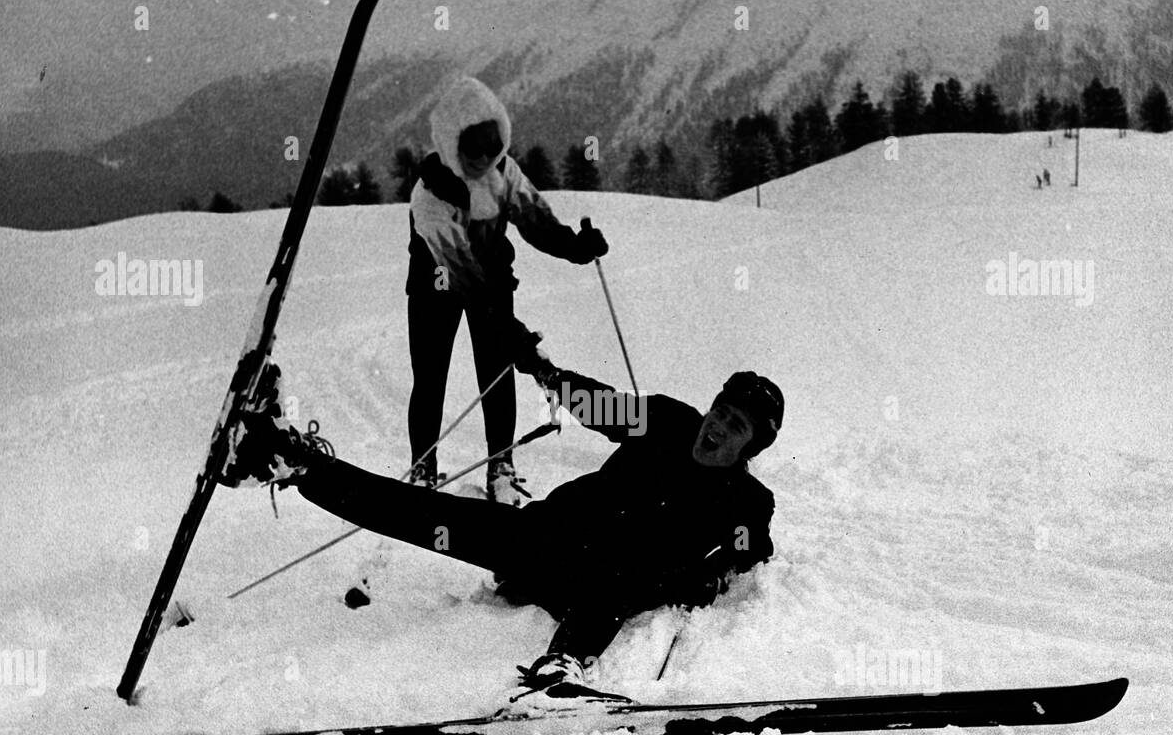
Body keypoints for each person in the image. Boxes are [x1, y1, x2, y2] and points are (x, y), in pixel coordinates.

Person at [221, 337, 783, 694]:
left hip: (600, 589)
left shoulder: (746, 502)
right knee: (424, 513)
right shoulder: (667, 422)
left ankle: (562, 668)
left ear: (750, 448)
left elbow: (750, 553)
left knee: (625, 567)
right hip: (544, 539)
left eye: (737, 427)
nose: (718, 428)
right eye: (722, 411)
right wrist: (543, 370)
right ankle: (287, 462)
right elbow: (598, 405)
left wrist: (706, 578)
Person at [406, 76, 609, 504]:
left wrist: (575, 247)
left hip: (493, 281)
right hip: (437, 284)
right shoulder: (429, 196)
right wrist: (508, 327)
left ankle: (502, 465)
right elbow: (459, 271)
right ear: (450, 142)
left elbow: (536, 221)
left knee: (496, 377)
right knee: (430, 378)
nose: (483, 156)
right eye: (472, 146)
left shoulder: (504, 173)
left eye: (492, 144)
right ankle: (422, 468)